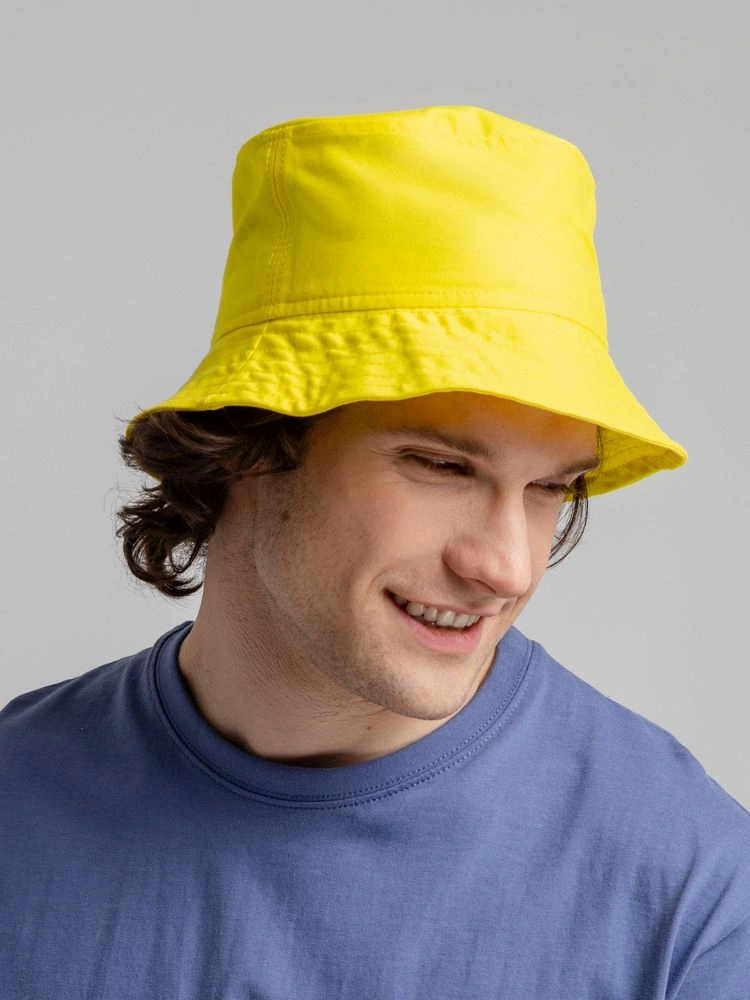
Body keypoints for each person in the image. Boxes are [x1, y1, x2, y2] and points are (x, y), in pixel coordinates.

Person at [1, 105, 748, 998]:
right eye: (442, 465)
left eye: (551, 487)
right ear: (247, 445)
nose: (508, 569)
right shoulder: (18, 805)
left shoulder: (688, 892)